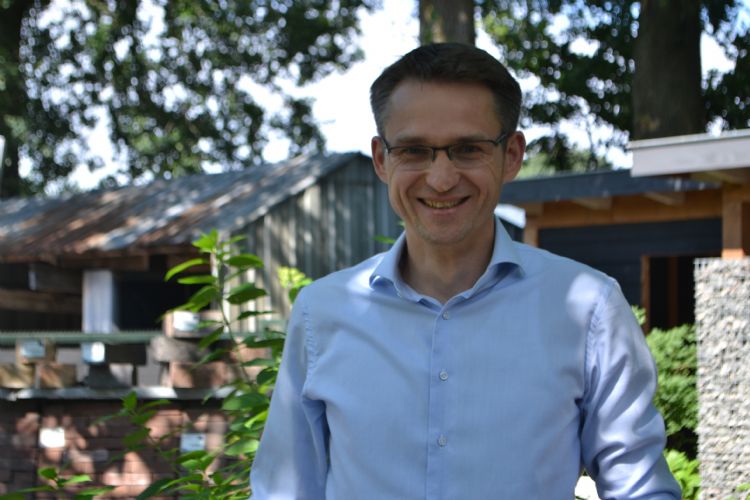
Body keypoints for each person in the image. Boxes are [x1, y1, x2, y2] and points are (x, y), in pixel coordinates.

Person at [250, 43, 680, 499]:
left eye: (468, 149)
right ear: (381, 159)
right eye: (414, 150)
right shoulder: (322, 313)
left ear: (511, 155)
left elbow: (641, 491)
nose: (441, 179)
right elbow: (285, 491)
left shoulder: (589, 309)